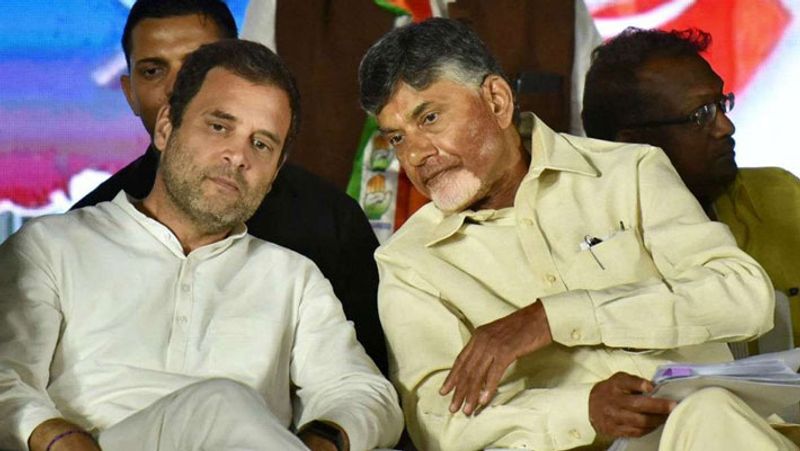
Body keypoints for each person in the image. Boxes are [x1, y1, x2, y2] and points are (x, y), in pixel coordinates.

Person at [359, 18, 787, 450]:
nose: (416, 154)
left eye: (430, 118)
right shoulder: (410, 262)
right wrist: (582, 411)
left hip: (701, 429)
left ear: (496, 101)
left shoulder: (628, 172)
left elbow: (743, 297)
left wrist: (553, 318)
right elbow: (439, 424)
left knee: (707, 411)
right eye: (397, 138)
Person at [0, 39, 403, 451]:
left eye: (261, 144)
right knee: (221, 403)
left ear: (275, 172)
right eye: (219, 127)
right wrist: (58, 439)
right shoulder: (52, 246)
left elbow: (366, 393)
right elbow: (5, 378)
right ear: (165, 127)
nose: (238, 156)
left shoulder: (292, 277)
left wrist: (323, 440)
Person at [71, 0, 388, 374]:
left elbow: (364, 382)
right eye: (153, 71)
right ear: (131, 94)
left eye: (198, 65)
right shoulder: (79, 234)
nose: (176, 88)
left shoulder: (331, 222)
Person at [582, 27, 800, 345]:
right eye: (701, 115)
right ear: (632, 142)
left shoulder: (779, 192)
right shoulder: (591, 248)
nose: (726, 127)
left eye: (721, 104)